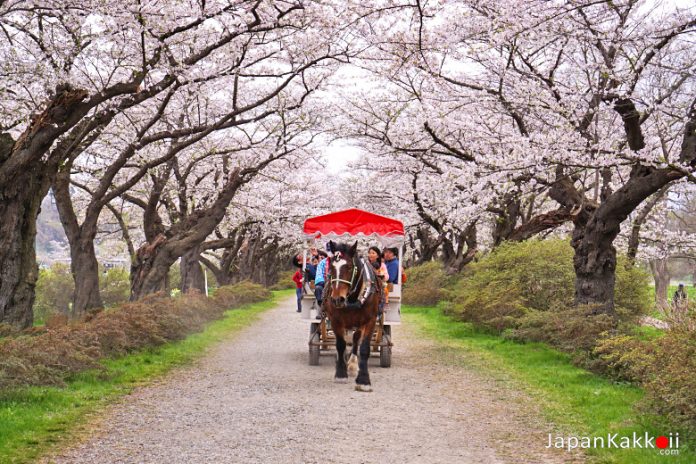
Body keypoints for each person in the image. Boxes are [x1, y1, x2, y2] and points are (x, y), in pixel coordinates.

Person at [367, 246, 389, 310]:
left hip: (379, 283)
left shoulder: (382, 265)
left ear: (378, 256)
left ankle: (384, 304)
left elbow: (387, 275)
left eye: (373, 253)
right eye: (369, 253)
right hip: (368, 283)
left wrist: (383, 275)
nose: (371, 255)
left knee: (384, 289)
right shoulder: (366, 264)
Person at [314, 250, 329, 318]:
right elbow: (319, 276)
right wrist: (326, 282)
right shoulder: (322, 263)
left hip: (338, 284)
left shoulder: (342, 262)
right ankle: (321, 309)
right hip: (325, 282)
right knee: (318, 288)